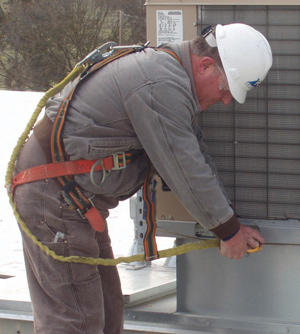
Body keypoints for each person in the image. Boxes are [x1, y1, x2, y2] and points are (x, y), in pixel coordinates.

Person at [12, 23, 272, 334]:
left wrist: (230, 224)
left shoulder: (169, 80)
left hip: (75, 203)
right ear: (205, 65)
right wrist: (228, 232)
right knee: (75, 323)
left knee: (107, 315)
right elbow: (184, 166)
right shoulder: (159, 83)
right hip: (53, 201)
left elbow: (195, 154)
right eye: (226, 89)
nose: (226, 100)